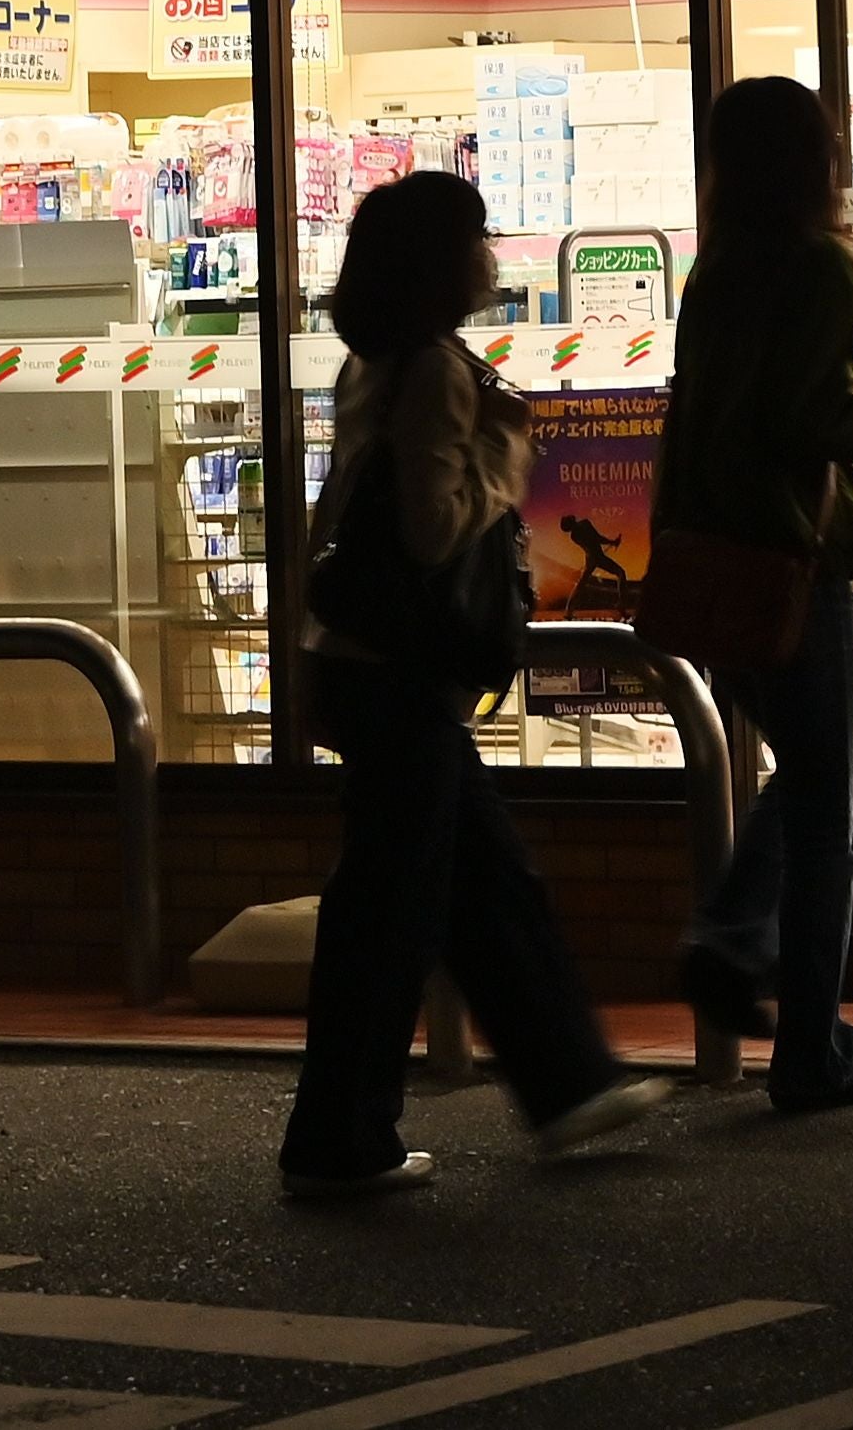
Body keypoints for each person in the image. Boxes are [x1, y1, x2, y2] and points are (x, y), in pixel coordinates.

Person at [280, 169, 663, 1196]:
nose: (493, 253)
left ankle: (566, 1083)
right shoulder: (442, 373)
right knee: (394, 914)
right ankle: (340, 1139)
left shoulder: (376, 360)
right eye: (479, 236)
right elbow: (433, 528)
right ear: (441, 260)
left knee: (475, 888)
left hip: (367, 666)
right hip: (404, 674)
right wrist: (507, 445)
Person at [655, 73, 853, 1112]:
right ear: (816, 163)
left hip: (709, 554)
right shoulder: (815, 269)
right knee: (829, 806)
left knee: (806, 778)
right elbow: (808, 417)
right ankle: (807, 1047)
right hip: (787, 557)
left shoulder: (715, 269)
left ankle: (745, 951)